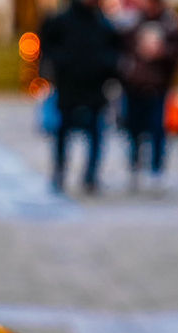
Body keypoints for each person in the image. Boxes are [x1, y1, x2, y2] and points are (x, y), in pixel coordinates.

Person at [40, 0, 121, 193]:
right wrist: (62, 63)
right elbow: (47, 44)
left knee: (96, 133)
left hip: (95, 87)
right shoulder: (62, 20)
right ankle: (59, 172)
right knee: (62, 133)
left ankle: (91, 176)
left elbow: (115, 50)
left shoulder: (103, 23)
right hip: (68, 86)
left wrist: (105, 67)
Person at [120, 0, 178, 191]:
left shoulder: (170, 23)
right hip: (134, 85)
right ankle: (135, 167)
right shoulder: (133, 22)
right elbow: (121, 46)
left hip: (158, 86)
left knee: (158, 129)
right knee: (134, 130)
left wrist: (164, 52)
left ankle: (156, 171)